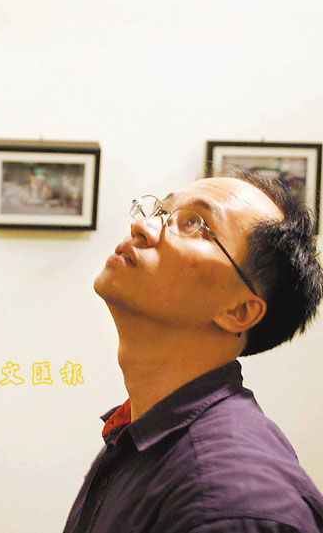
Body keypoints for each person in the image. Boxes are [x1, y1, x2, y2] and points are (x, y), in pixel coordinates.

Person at [63, 169, 323, 533]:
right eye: (160, 211)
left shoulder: (231, 502)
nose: (142, 226)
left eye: (194, 224)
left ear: (239, 310)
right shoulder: (140, 432)